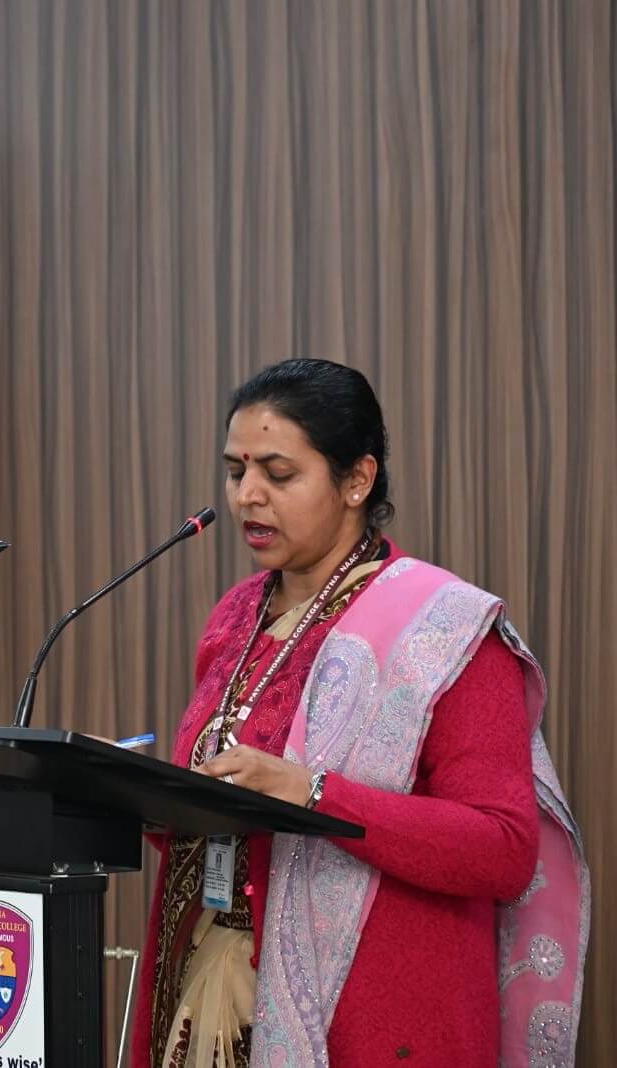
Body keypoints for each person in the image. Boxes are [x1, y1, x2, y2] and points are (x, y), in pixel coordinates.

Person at [133, 359, 587, 1068]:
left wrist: (315, 794)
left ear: (357, 481)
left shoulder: (445, 632)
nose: (248, 495)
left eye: (278, 474)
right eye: (236, 471)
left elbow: (502, 851)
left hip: (373, 1020)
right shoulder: (236, 616)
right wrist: (137, 794)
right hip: (207, 993)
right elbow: (231, 817)